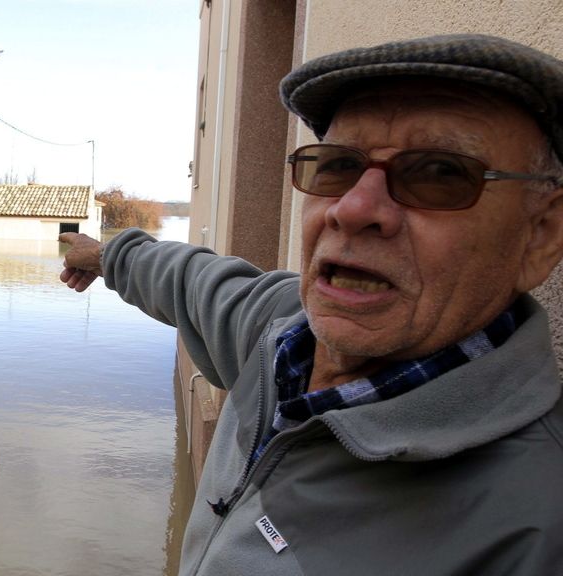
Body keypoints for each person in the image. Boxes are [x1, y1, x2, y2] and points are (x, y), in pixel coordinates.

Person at [60, 34, 563, 575]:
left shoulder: (534, 530)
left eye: (440, 172)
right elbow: (188, 279)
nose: (353, 208)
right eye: (338, 166)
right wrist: (107, 254)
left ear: (540, 235)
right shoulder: (281, 337)